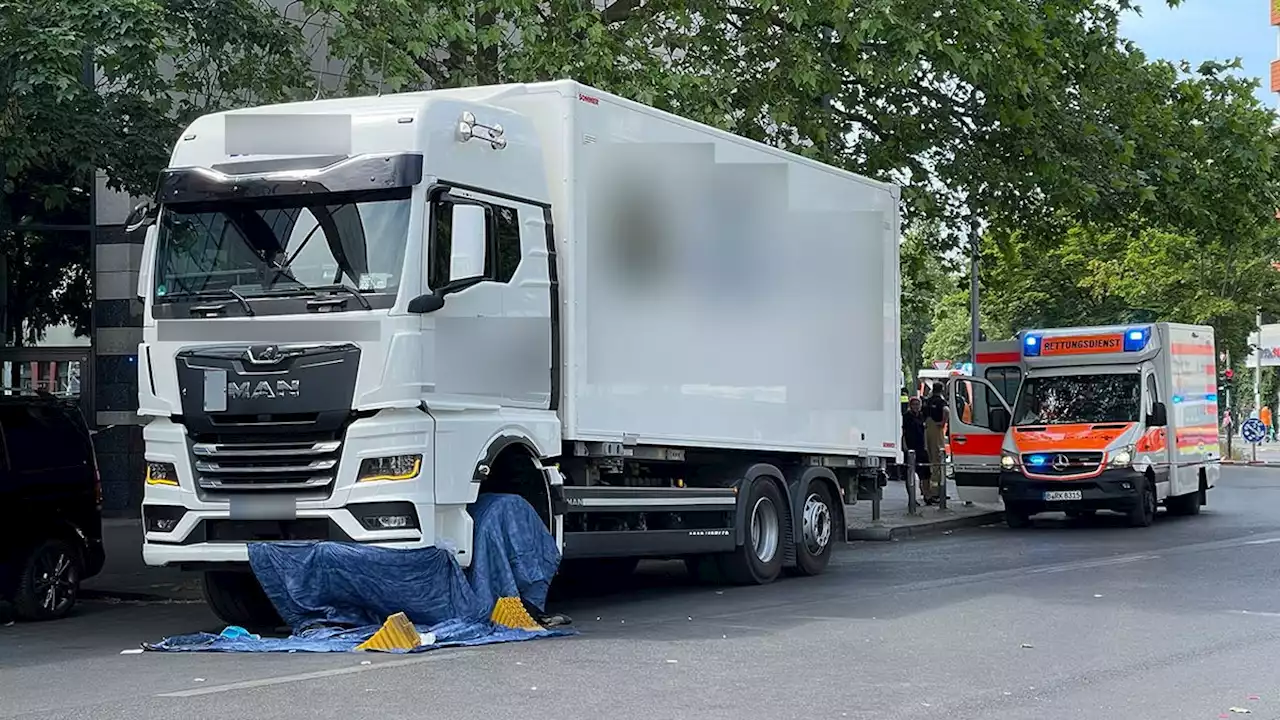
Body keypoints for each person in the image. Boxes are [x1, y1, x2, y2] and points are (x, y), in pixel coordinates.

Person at [923, 382, 948, 505]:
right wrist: (943, 423)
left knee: (929, 459)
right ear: (942, 390)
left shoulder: (927, 401)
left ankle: (925, 491)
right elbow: (946, 410)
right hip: (936, 430)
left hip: (927, 429)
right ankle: (936, 492)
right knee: (937, 460)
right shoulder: (940, 401)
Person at [901, 396, 930, 500]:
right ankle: (911, 498)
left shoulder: (922, 416)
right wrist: (905, 447)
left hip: (921, 447)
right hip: (910, 448)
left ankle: (926, 495)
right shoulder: (906, 417)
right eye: (914, 404)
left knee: (925, 473)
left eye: (918, 404)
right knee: (910, 474)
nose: (916, 407)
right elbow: (903, 432)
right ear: (910, 405)